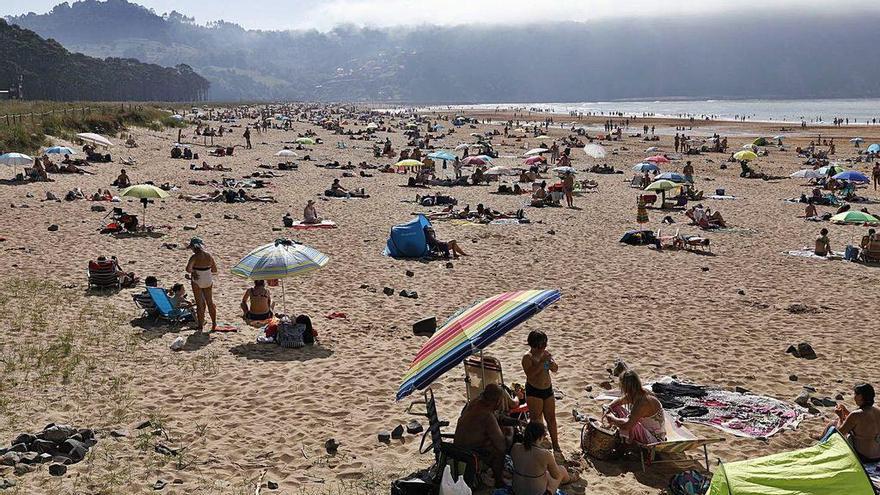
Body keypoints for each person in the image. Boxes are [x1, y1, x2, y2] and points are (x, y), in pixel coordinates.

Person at [453, 384, 513, 488]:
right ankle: (499, 481)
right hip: (469, 455)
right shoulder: (487, 416)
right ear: (498, 401)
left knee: (491, 438)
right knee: (499, 452)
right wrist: (511, 432)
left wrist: (515, 422)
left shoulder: (474, 402)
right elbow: (502, 446)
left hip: (456, 448)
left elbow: (497, 418)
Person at [511, 422, 578, 495]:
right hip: (539, 493)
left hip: (516, 491)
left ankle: (570, 478)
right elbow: (556, 476)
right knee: (561, 470)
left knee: (541, 473)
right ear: (540, 437)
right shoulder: (545, 454)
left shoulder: (515, 447)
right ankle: (571, 478)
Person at [521, 330, 561, 453]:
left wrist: (551, 364)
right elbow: (530, 375)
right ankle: (537, 444)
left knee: (551, 418)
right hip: (534, 391)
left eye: (545, 344)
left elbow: (555, 369)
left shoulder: (546, 354)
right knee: (536, 419)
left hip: (547, 389)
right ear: (534, 344)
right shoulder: (527, 357)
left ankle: (555, 444)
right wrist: (542, 362)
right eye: (541, 344)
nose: (543, 347)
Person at [603, 370, 667, 446]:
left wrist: (612, 418)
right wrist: (609, 407)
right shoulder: (636, 393)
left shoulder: (643, 402)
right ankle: (623, 437)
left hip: (654, 439)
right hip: (645, 429)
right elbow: (619, 400)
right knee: (615, 407)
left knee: (631, 424)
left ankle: (625, 442)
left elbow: (627, 425)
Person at [821, 383, 880, 462]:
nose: (854, 397)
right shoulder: (877, 411)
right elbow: (861, 423)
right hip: (877, 456)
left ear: (860, 396)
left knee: (833, 424)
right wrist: (846, 412)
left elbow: (839, 433)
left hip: (863, 457)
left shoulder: (856, 415)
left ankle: (821, 440)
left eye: (855, 394)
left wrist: (840, 417)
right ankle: (820, 436)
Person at [185, 237, 218, 332]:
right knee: (210, 302)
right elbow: (214, 270)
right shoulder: (208, 256)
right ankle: (214, 324)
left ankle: (200, 326)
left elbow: (188, 269)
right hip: (208, 280)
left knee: (199, 304)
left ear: (193, 247)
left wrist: (194, 272)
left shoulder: (194, 257)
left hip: (197, 280)